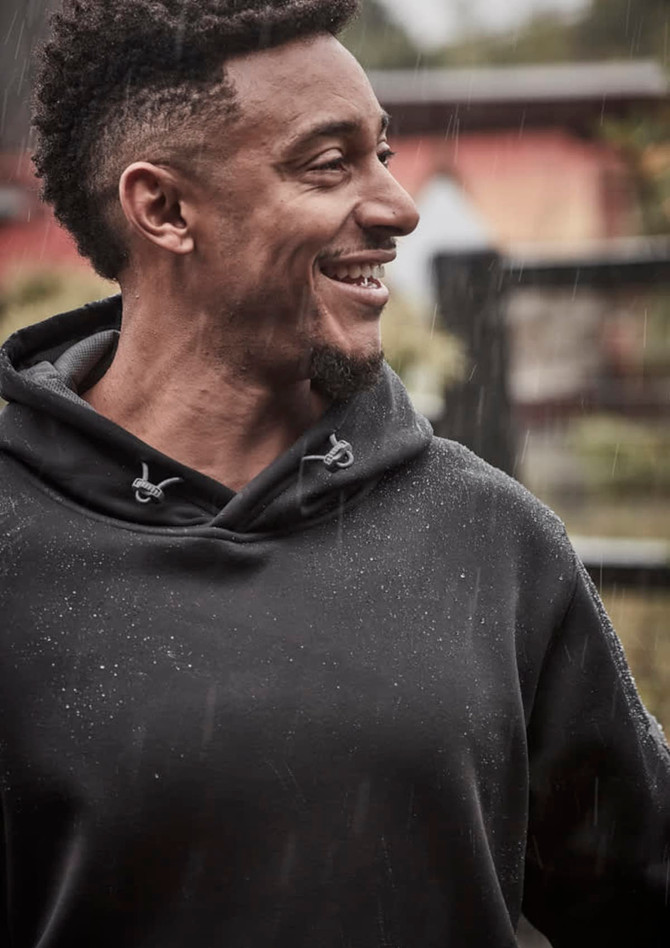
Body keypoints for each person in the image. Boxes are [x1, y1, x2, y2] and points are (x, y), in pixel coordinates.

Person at [0, 1, 668, 945]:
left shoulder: (494, 540)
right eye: (329, 164)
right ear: (164, 208)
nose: (399, 206)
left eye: (383, 153)